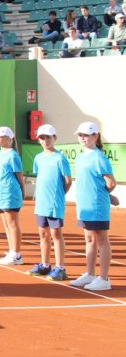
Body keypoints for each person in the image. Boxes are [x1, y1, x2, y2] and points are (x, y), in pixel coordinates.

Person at [69, 122, 118, 291]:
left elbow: (110, 182)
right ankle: (89, 274)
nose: (82, 138)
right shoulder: (81, 157)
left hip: (96, 205)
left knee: (102, 240)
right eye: (80, 135)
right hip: (84, 205)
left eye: (86, 135)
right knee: (89, 239)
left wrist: (106, 196)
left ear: (95, 136)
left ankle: (103, 279)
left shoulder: (99, 158)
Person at [23, 124, 72, 280]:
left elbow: (68, 181)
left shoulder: (60, 158)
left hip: (54, 203)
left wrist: (59, 195)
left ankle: (60, 268)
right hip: (41, 203)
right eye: (42, 138)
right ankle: (45, 265)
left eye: (48, 137)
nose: (45, 141)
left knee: (56, 234)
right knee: (43, 234)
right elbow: (40, 178)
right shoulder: (38, 158)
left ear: (54, 138)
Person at [0, 126, 25, 266]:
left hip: (10, 192)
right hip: (0, 193)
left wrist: (22, 193)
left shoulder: (12, 155)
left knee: (12, 223)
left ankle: (17, 255)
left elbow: (19, 176)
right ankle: (12, 251)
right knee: (6, 223)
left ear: (8, 139)